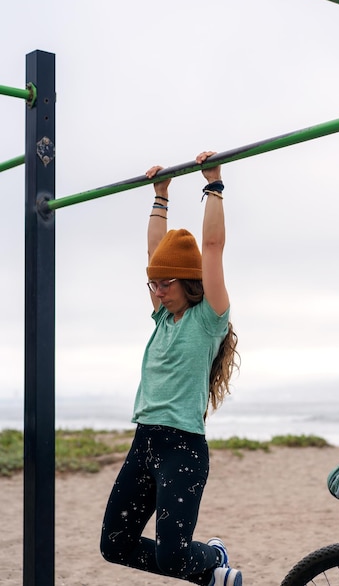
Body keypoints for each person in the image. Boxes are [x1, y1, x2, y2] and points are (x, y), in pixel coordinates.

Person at [100, 151, 242, 585]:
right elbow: (153, 252)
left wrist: (212, 185)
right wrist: (159, 197)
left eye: (166, 283)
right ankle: (214, 568)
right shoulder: (163, 316)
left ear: (189, 282)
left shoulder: (208, 319)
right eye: (153, 284)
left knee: (173, 559)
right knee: (114, 544)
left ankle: (212, 557)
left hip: (182, 449)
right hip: (144, 441)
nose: (158, 292)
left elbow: (213, 248)